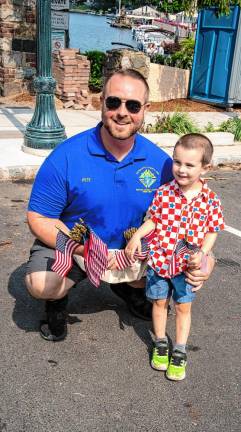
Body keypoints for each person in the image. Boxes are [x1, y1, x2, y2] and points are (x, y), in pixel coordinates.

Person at [25, 69, 214, 342]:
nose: (122, 112)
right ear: (100, 101)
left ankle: (129, 287)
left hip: (131, 250)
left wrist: (206, 260)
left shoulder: (161, 163)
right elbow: (39, 218)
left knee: (169, 271)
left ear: (145, 109)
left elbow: (194, 217)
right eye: (113, 102)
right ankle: (58, 300)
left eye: (133, 105)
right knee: (42, 284)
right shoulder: (66, 156)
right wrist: (84, 249)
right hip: (79, 246)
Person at [125, 133, 225, 380]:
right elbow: (154, 221)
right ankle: (160, 341)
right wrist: (138, 235)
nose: (181, 169)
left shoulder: (210, 200)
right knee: (159, 303)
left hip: (186, 266)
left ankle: (179, 349)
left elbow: (213, 231)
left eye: (190, 165)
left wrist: (202, 254)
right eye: (177, 162)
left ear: (205, 167)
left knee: (183, 307)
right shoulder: (163, 193)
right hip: (160, 262)